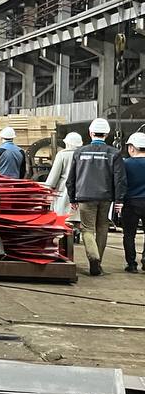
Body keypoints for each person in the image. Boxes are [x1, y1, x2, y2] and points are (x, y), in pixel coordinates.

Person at [66, 117, 127, 276]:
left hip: (85, 196)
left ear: (90, 133)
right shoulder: (114, 153)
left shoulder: (79, 152)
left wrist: (72, 198)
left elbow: (71, 178)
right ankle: (98, 263)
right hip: (105, 197)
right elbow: (120, 179)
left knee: (87, 229)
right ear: (106, 134)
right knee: (102, 228)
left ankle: (93, 257)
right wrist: (119, 200)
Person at [121, 132, 145, 273]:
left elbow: (121, 183)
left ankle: (132, 264)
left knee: (129, 234)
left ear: (132, 148)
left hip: (131, 202)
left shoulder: (125, 164)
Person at [45, 131, 84, 216]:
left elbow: (54, 176)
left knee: (64, 217)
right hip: (81, 191)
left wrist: (47, 189)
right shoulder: (84, 154)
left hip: (64, 191)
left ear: (67, 143)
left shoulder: (62, 155)